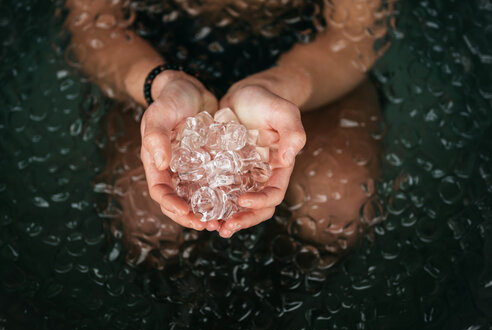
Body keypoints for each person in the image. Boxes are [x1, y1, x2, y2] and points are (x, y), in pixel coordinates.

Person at [64, 0, 391, 263]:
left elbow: (353, 34)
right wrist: (162, 84)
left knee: (337, 214)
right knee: (150, 232)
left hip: (312, 64)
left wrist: (276, 87)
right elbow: (95, 25)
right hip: (149, 60)